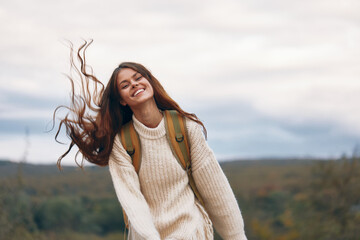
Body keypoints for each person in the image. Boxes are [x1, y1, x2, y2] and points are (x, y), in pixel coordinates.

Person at [54, 40, 247, 240]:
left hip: (191, 232)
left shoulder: (185, 128)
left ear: (150, 82)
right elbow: (133, 202)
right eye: (125, 85)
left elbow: (216, 189)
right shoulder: (122, 143)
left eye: (138, 78)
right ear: (122, 99)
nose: (135, 84)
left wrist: (236, 236)